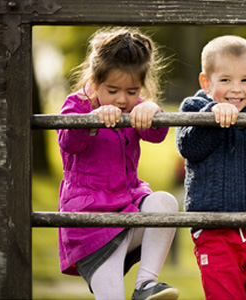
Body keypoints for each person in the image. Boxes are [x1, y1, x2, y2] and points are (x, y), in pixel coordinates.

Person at [57, 27, 179, 300]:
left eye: (132, 91)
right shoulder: (77, 104)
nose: (123, 99)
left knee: (165, 203)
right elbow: (68, 142)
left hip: (128, 210)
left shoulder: (135, 107)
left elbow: (156, 135)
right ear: (95, 81)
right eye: (113, 90)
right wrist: (93, 120)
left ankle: (146, 285)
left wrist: (152, 110)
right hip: (91, 223)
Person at [175, 35, 246, 300]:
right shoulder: (193, 107)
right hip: (214, 228)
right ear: (206, 82)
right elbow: (189, 148)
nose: (236, 89)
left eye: (245, 80)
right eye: (225, 80)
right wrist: (211, 116)